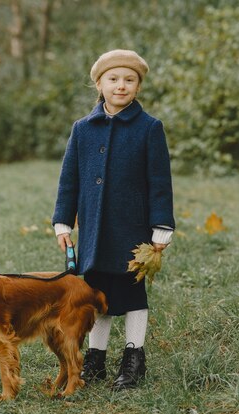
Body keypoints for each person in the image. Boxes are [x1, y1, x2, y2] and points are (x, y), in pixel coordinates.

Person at [52, 49, 175, 390]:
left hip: (133, 229)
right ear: (100, 84)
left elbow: (160, 182)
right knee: (97, 294)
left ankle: (134, 359)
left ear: (138, 86)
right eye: (113, 79)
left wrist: (161, 225)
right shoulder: (82, 129)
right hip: (93, 230)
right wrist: (63, 221)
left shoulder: (150, 128)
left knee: (133, 293)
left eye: (129, 80)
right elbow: (69, 180)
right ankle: (96, 359)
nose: (121, 86)